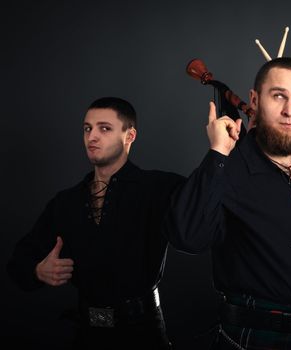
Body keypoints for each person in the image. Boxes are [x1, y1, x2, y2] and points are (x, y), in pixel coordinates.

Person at [165, 57, 291, 349]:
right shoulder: (230, 165)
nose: (290, 111)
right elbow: (187, 236)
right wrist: (216, 154)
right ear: (254, 99)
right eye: (279, 96)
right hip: (254, 339)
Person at [7, 97, 185, 350]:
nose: (92, 136)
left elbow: (207, 195)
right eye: (87, 128)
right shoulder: (66, 202)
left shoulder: (159, 188)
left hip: (144, 333)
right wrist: (38, 270)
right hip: (87, 334)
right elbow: (17, 264)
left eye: (105, 128)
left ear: (129, 135)